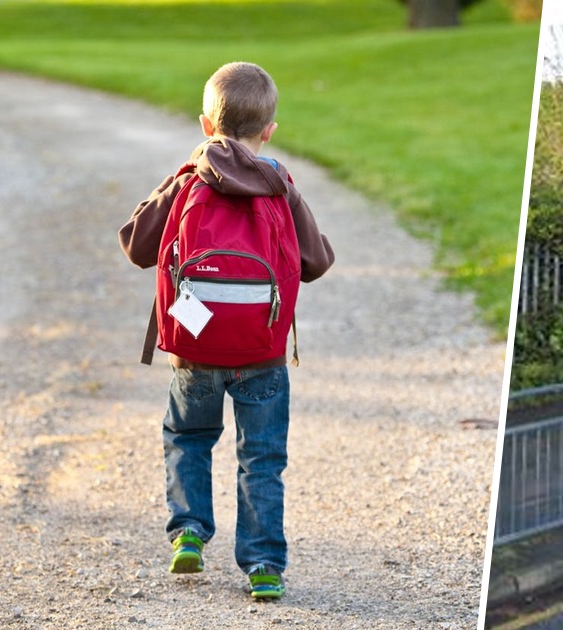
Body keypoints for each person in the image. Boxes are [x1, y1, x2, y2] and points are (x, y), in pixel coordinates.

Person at [118, 61, 335, 599]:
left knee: (188, 438)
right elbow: (317, 261)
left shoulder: (190, 179)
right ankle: (263, 566)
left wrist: (180, 175)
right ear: (269, 131)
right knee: (261, 458)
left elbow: (136, 245)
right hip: (262, 352)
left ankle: (189, 532)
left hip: (195, 350)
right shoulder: (279, 183)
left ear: (205, 125)